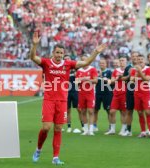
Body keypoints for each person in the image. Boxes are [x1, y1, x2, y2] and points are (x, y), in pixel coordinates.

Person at [30, 32, 106, 165]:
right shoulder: (46, 63)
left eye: (61, 53)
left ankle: (55, 158)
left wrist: (96, 52)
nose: (59, 55)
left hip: (62, 101)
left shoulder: (68, 64)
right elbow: (33, 57)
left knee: (58, 129)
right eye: (57, 52)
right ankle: (38, 149)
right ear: (53, 53)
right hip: (49, 100)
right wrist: (34, 45)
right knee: (46, 127)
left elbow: (87, 62)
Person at [130, 55, 150, 138]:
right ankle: (143, 131)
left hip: (146, 93)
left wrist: (139, 72)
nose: (140, 61)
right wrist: (137, 74)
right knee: (140, 113)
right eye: (138, 59)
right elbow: (131, 80)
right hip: (137, 93)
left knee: (148, 112)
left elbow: (147, 79)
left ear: (144, 60)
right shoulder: (133, 70)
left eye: (141, 59)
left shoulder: (148, 69)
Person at [76, 55, 98, 135]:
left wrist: (87, 79)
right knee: (83, 111)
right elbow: (76, 82)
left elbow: (96, 81)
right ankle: (85, 130)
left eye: (86, 60)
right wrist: (78, 81)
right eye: (83, 60)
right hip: (81, 93)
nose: (84, 62)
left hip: (90, 93)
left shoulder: (92, 69)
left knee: (90, 111)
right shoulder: (79, 71)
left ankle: (91, 130)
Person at [106, 56, 127, 135]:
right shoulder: (116, 71)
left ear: (126, 61)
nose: (121, 62)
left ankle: (123, 129)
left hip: (125, 93)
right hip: (116, 93)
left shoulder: (128, 70)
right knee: (112, 111)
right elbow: (112, 81)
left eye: (123, 60)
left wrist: (122, 78)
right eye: (120, 60)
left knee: (123, 112)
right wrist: (116, 79)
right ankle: (112, 129)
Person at [63, 55, 83, 133]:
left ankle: (83, 126)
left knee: (79, 109)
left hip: (75, 91)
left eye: (68, 58)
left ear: (70, 59)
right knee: (68, 110)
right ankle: (69, 126)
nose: (66, 60)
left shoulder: (76, 68)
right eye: (65, 59)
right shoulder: (62, 69)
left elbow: (80, 79)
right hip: (66, 91)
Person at [121, 52, 138, 136]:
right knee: (129, 111)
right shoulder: (128, 67)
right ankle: (128, 130)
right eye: (133, 56)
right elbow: (123, 79)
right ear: (131, 57)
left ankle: (144, 130)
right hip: (130, 91)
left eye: (136, 56)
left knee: (142, 112)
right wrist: (129, 76)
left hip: (140, 91)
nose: (134, 58)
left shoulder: (142, 67)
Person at [94, 58, 113, 132]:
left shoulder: (109, 72)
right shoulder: (96, 72)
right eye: (100, 63)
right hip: (98, 93)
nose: (101, 64)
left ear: (106, 64)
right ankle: (94, 126)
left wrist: (105, 79)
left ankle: (111, 126)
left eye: (103, 63)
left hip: (107, 93)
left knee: (108, 110)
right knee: (95, 110)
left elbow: (112, 81)